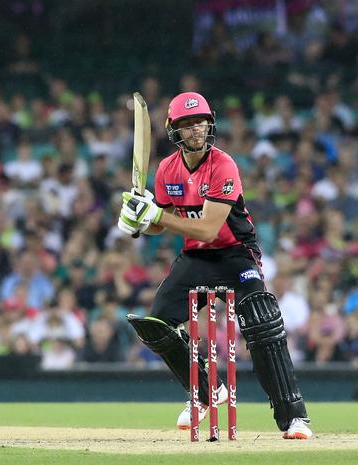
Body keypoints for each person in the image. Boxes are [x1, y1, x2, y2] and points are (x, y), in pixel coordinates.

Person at [118, 92, 312, 440]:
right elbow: (166, 222)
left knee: (261, 324)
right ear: (174, 131)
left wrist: (157, 215)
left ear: (211, 124)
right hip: (197, 257)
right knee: (156, 322)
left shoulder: (223, 164)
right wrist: (142, 222)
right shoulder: (166, 169)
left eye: (201, 123)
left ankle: (295, 418)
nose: (196, 131)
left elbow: (208, 227)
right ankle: (207, 391)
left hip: (236, 253)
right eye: (187, 125)